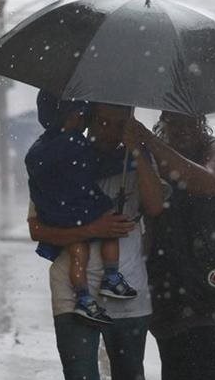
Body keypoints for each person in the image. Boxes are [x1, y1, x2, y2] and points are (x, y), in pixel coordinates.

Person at [28, 103, 164, 380]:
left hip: (126, 287)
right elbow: (37, 229)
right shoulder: (61, 159)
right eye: (102, 121)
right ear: (89, 120)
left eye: (119, 123)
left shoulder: (137, 161)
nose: (109, 130)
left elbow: (156, 205)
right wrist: (91, 229)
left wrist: (137, 151)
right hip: (73, 290)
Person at [125, 111, 215, 380]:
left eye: (188, 121)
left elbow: (205, 182)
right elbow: (147, 207)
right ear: (163, 121)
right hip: (168, 280)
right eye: (173, 122)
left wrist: (149, 141)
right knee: (177, 365)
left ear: (201, 121)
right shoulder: (149, 156)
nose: (181, 129)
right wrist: (140, 150)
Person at [25, 93, 138, 324]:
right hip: (83, 206)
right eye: (83, 114)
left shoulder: (39, 148)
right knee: (112, 224)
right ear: (71, 116)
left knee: (78, 253)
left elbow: (35, 181)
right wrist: (131, 157)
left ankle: (84, 298)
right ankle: (111, 276)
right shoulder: (76, 144)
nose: (83, 118)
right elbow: (98, 166)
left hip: (57, 212)